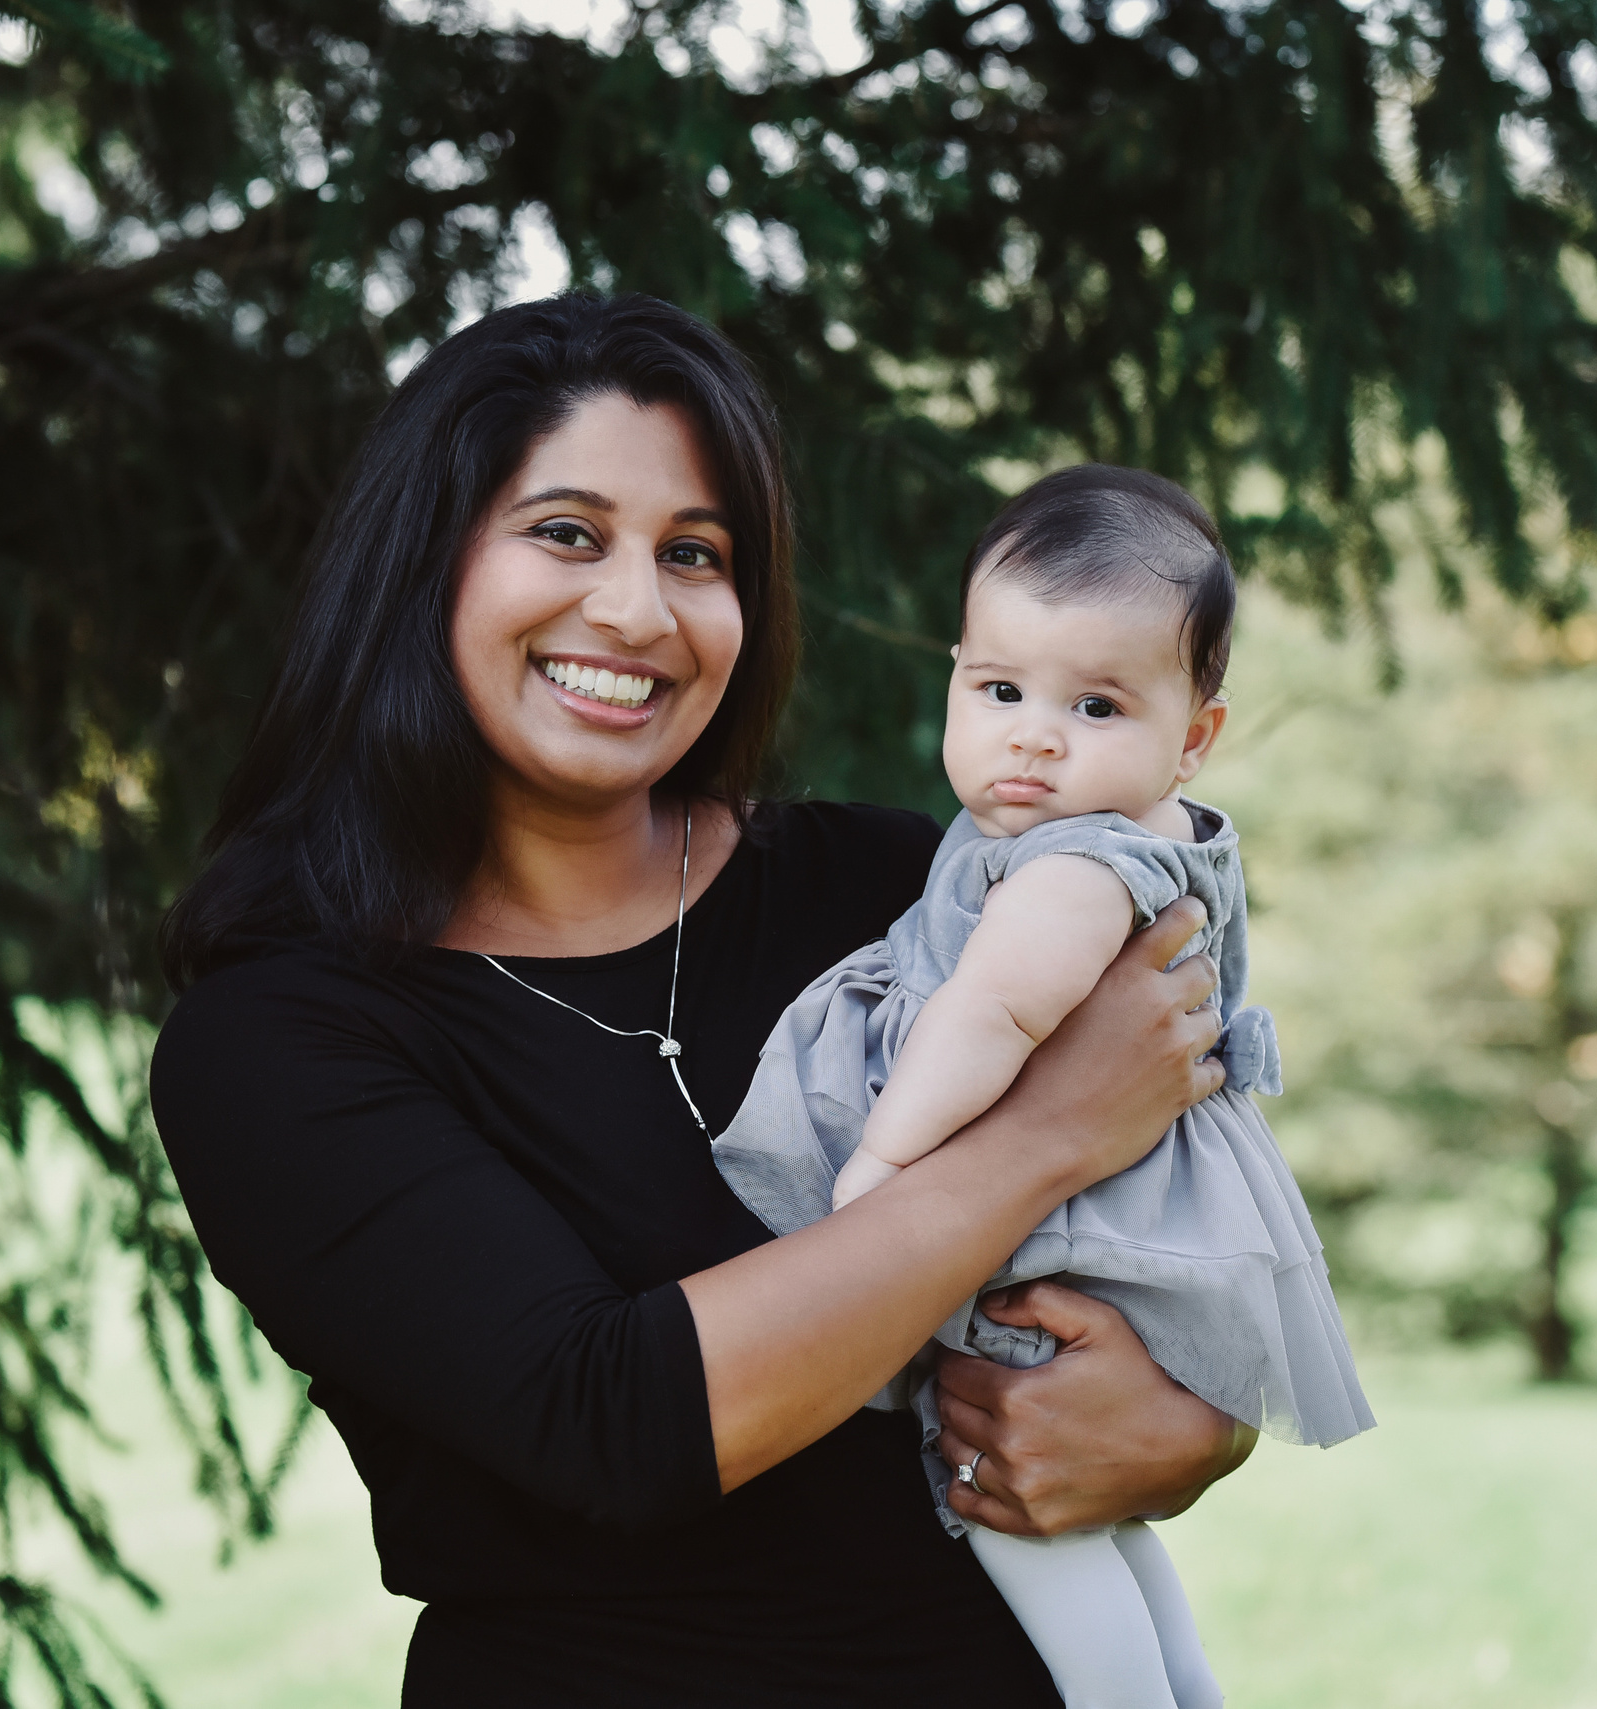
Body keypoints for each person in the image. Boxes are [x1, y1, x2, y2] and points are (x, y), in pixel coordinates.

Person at [150, 293, 1255, 1706]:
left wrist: (1191, 1425)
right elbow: (608, 1418)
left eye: (695, 553)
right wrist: (1042, 1133)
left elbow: (1190, 1214)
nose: (635, 608)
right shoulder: (279, 1039)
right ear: (421, 563)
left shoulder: (904, 884)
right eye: (565, 532)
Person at [711, 466, 1373, 1709]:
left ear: (1193, 734)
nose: (1034, 733)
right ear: (955, 673)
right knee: (1107, 1530)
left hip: (1045, 1247)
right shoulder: (1116, 830)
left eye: (1096, 704)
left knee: (1017, 1509)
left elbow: (994, 1012)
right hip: (1108, 1221)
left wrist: (883, 1169)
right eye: (1001, 689)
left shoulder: (1074, 867)